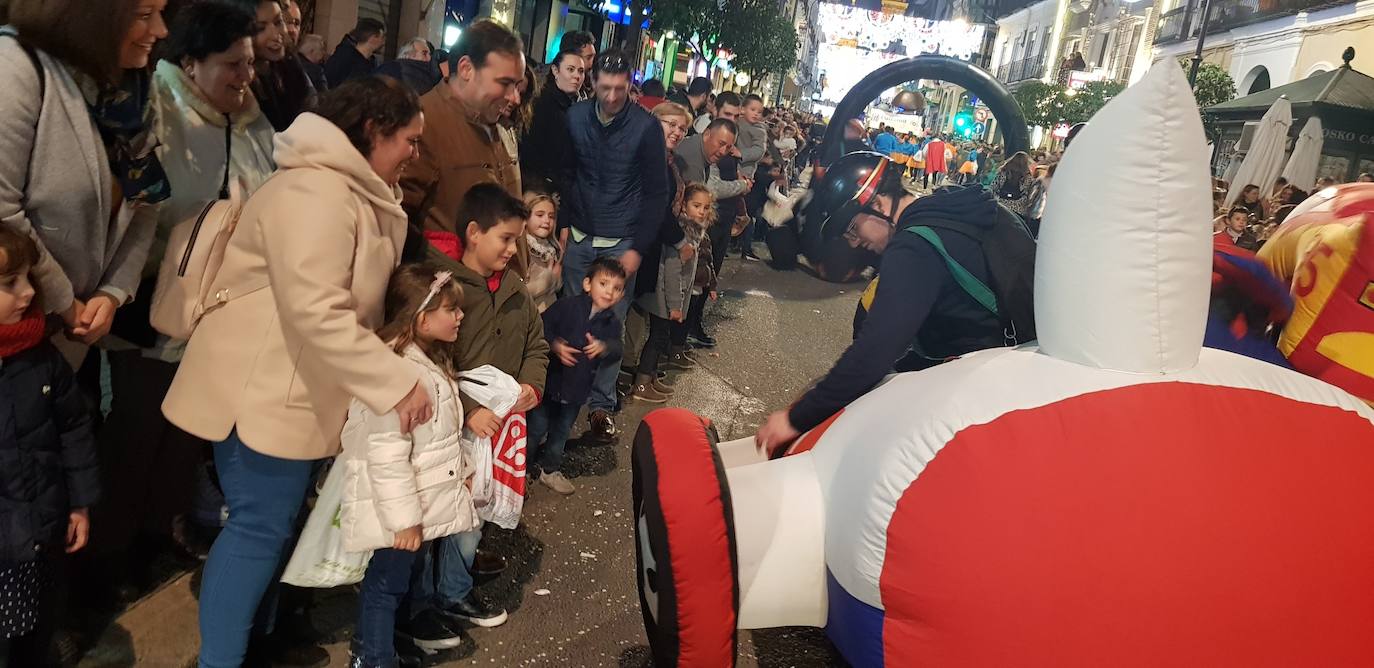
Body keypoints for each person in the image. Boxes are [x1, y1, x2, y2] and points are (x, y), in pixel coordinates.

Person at [161, 77, 432, 668]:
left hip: (291, 386)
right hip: (261, 389)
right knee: (258, 529)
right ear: (373, 131)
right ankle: (222, 660)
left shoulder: (349, 190)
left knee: (272, 526)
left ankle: (254, 643)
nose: (416, 152)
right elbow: (316, 308)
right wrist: (394, 382)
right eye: (409, 139)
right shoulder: (318, 193)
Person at [87, 0, 277, 601]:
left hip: (218, 316)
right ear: (191, 62)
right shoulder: (155, 109)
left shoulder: (252, 122)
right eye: (231, 63)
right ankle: (104, 566)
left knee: (181, 441)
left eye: (249, 63)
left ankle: (150, 544)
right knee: (135, 436)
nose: (245, 76)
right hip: (146, 304)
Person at [755, 153, 1022, 453]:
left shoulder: (913, 246)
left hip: (987, 392)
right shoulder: (946, 209)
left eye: (853, 229)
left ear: (879, 204)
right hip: (1005, 366)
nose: (855, 243)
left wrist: (795, 419)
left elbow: (876, 350)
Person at [409, 183, 548, 633]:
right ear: (473, 232)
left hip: (499, 428)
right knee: (442, 515)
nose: (514, 248)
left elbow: (536, 344)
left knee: (474, 514)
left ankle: (451, 590)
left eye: (517, 239)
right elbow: (428, 360)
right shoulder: (442, 289)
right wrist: (469, 407)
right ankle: (427, 601)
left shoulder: (516, 290)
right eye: (506, 238)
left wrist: (531, 385)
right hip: (451, 426)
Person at [1, 0, 172, 346]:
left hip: (79, 320)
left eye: (160, 12)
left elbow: (146, 197)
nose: (161, 30)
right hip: (20, 322)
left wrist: (113, 291)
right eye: (143, 15)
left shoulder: (134, 88)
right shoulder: (15, 66)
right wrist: (65, 301)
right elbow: (2, 209)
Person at [340, 263, 478, 666]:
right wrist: (403, 519)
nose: (460, 317)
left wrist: (463, 472)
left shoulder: (423, 361)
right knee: (385, 584)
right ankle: (372, 657)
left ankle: (384, 650)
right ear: (421, 317)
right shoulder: (398, 371)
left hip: (418, 499)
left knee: (397, 581)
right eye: (451, 310)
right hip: (399, 508)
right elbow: (386, 453)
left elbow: (439, 438)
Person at [0, 226, 99, 668]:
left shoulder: (40, 356)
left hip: (38, 534)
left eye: (27, 278)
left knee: (32, 636)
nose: (27, 294)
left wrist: (79, 503)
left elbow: (74, 427)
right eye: (9, 283)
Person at [560, 50, 670, 440]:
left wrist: (637, 247)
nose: (610, 96)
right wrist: (562, 226)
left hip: (620, 238)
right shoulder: (574, 118)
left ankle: (600, 406)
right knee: (572, 321)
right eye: (604, 87)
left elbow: (658, 192)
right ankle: (565, 400)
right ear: (592, 82)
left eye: (619, 89)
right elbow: (567, 173)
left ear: (630, 86)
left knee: (610, 325)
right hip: (578, 236)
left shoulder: (644, 128)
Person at [399, 20, 525, 273]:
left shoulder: (498, 123)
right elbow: (397, 222)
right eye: (504, 83)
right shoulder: (423, 123)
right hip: (456, 300)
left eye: (517, 85)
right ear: (466, 69)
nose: (514, 97)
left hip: (499, 296)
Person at [531, 258, 627, 494]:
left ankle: (550, 470)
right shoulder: (567, 306)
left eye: (616, 288)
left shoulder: (611, 322)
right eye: (603, 283)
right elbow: (541, 326)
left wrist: (604, 347)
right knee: (535, 429)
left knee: (561, 433)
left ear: (622, 295)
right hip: (550, 382)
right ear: (587, 284)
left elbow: (618, 349)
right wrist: (555, 346)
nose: (609, 291)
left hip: (576, 391)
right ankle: (520, 468)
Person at [633, 183, 713, 402]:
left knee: (660, 337)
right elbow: (672, 273)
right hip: (664, 296)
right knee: (657, 337)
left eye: (706, 207)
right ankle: (641, 384)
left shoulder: (694, 232)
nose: (702, 211)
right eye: (696, 205)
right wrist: (676, 306)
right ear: (684, 206)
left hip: (668, 296)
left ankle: (649, 378)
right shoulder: (683, 234)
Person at [235, 0, 315, 132]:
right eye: (260, 28)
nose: (277, 34)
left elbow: (312, 107)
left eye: (278, 22)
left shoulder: (289, 64)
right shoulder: (237, 82)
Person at [520, 49, 584, 195]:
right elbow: (533, 151)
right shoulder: (542, 104)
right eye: (570, 70)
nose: (577, 76)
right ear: (555, 70)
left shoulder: (576, 107)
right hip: (542, 189)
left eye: (581, 71)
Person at [524, 192, 562, 312]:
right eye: (540, 215)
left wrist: (556, 280)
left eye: (551, 216)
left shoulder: (550, 249)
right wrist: (548, 281)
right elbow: (520, 291)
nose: (547, 220)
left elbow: (555, 285)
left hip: (548, 311)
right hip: (530, 314)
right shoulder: (523, 250)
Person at [324, 17, 384, 86]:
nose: (383, 42)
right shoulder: (343, 57)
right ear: (373, 38)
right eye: (381, 38)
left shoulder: (373, 63)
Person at [375, 36, 442, 95]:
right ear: (408, 55)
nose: (429, 58)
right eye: (424, 54)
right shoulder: (391, 70)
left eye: (429, 54)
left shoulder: (431, 78)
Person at [990, 151, 1038, 219]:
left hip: (999, 206)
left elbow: (993, 187)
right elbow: (1027, 195)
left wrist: (997, 199)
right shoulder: (1027, 177)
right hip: (1017, 211)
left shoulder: (1003, 172)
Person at [557, 29, 596, 99]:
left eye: (594, 57)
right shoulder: (549, 92)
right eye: (589, 57)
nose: (593, 62)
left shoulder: (585, 89)